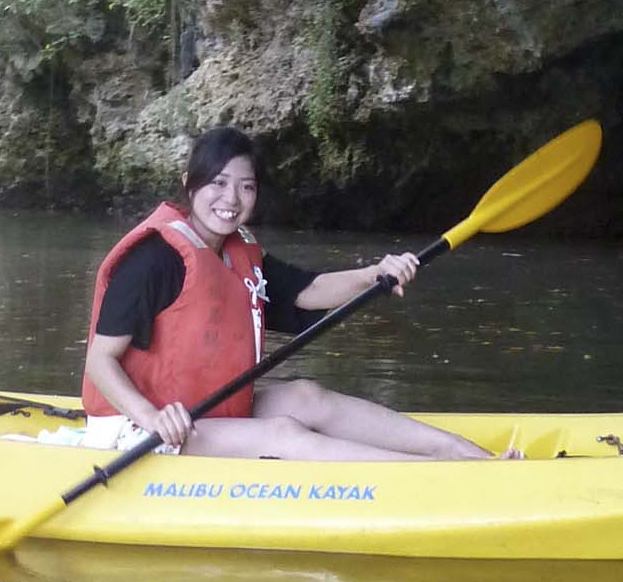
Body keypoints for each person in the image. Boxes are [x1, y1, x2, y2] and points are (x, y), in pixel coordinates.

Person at [78, 127, 498, 462]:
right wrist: (152, 417)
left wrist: (375, 274)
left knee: (306, 396)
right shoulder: (154, 259)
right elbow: (101, 360)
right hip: (139, 429)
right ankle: (439, 477)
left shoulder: (238, 255)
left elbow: (309, 291)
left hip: (204, 412)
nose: (231, 199)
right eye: (218, 183)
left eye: (246, 187)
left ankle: (457, 451)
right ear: (189, 185)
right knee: (283, 433)